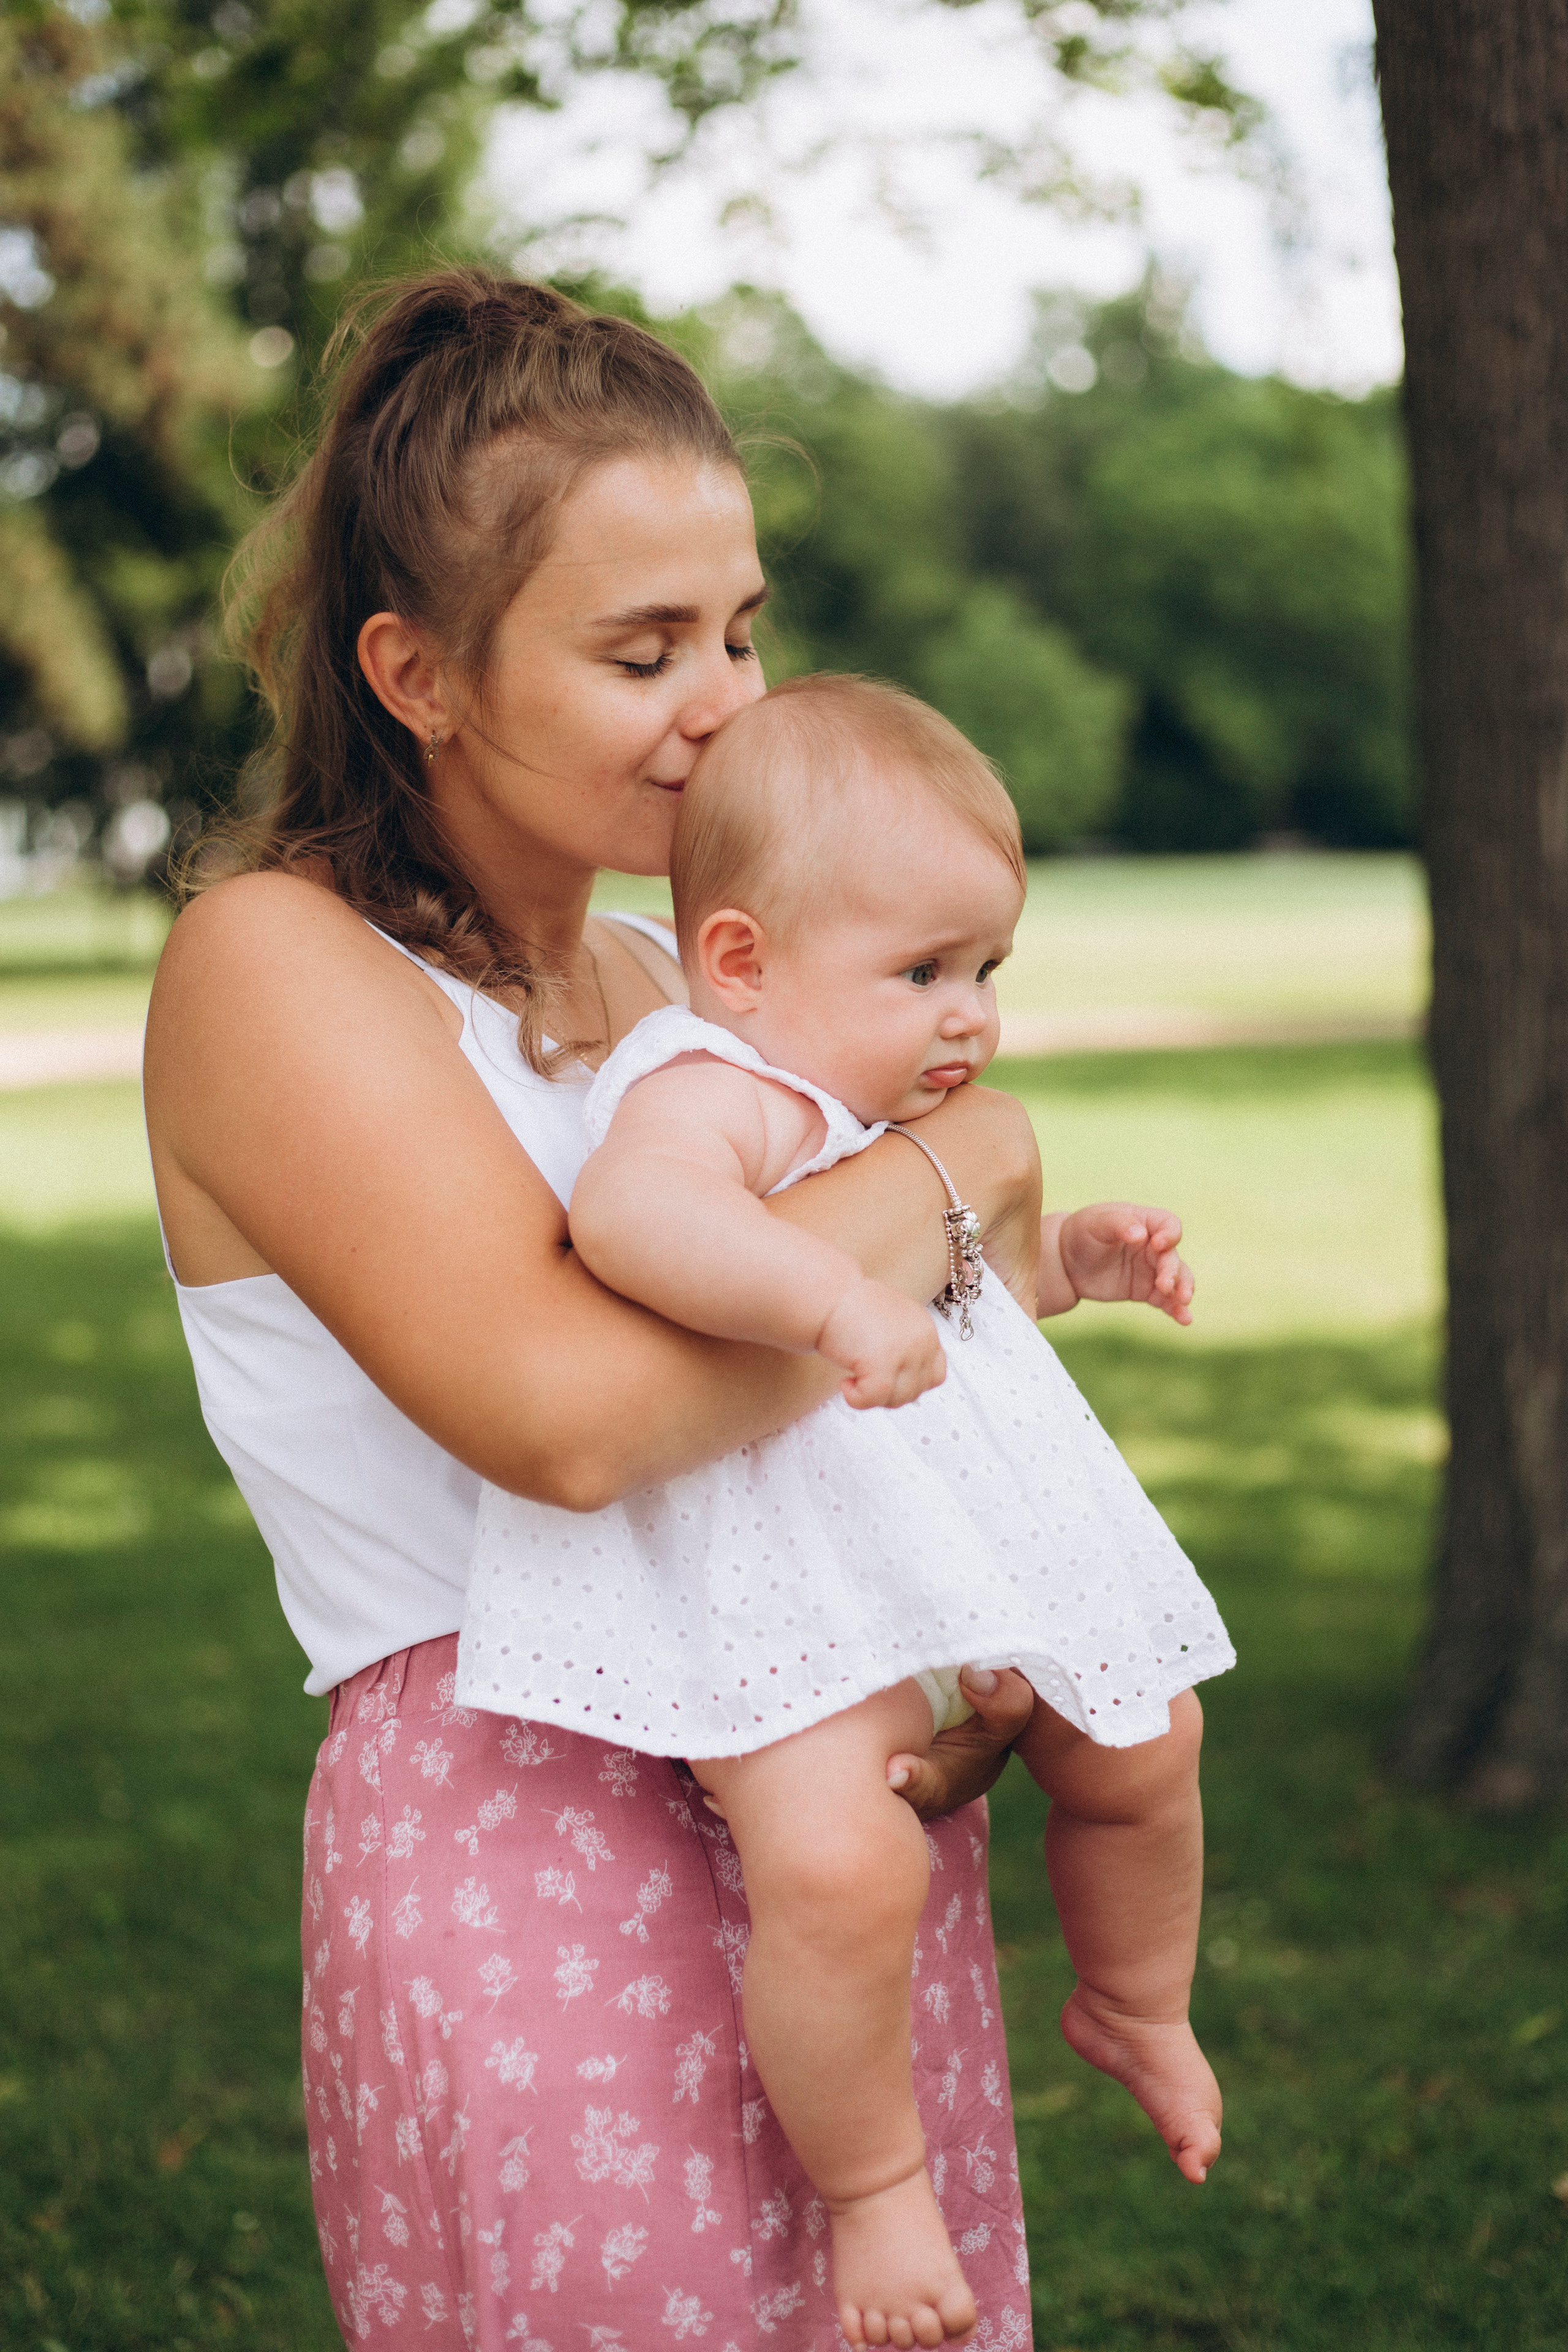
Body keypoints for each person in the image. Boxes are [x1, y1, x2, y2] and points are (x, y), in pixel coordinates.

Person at [143, 268, 1056, 2351]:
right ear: (417, 674)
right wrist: (956, 1174)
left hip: (817, 1786)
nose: (729, 701)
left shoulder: (675, 990)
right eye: (641, 649)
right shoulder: (276, 969)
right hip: (531, 1828)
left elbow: (858, 1381)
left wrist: (962, 1613)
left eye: (741, 630)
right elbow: (565, 1414)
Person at [461, 674, 1233, 2347]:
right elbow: (634, 1221)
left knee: (1148, 1737)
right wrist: (824, 1305)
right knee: (837, 1866)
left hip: (952, 1544)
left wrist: (1075, 1257)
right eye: (924, 973)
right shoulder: (707, 1081)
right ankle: (878, 2193)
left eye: (987, 971)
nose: (970, 1017)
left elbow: (975, 1277)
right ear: (742, 961)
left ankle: (1137, 1999)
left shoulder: (883, 1110)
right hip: (774, 1576)